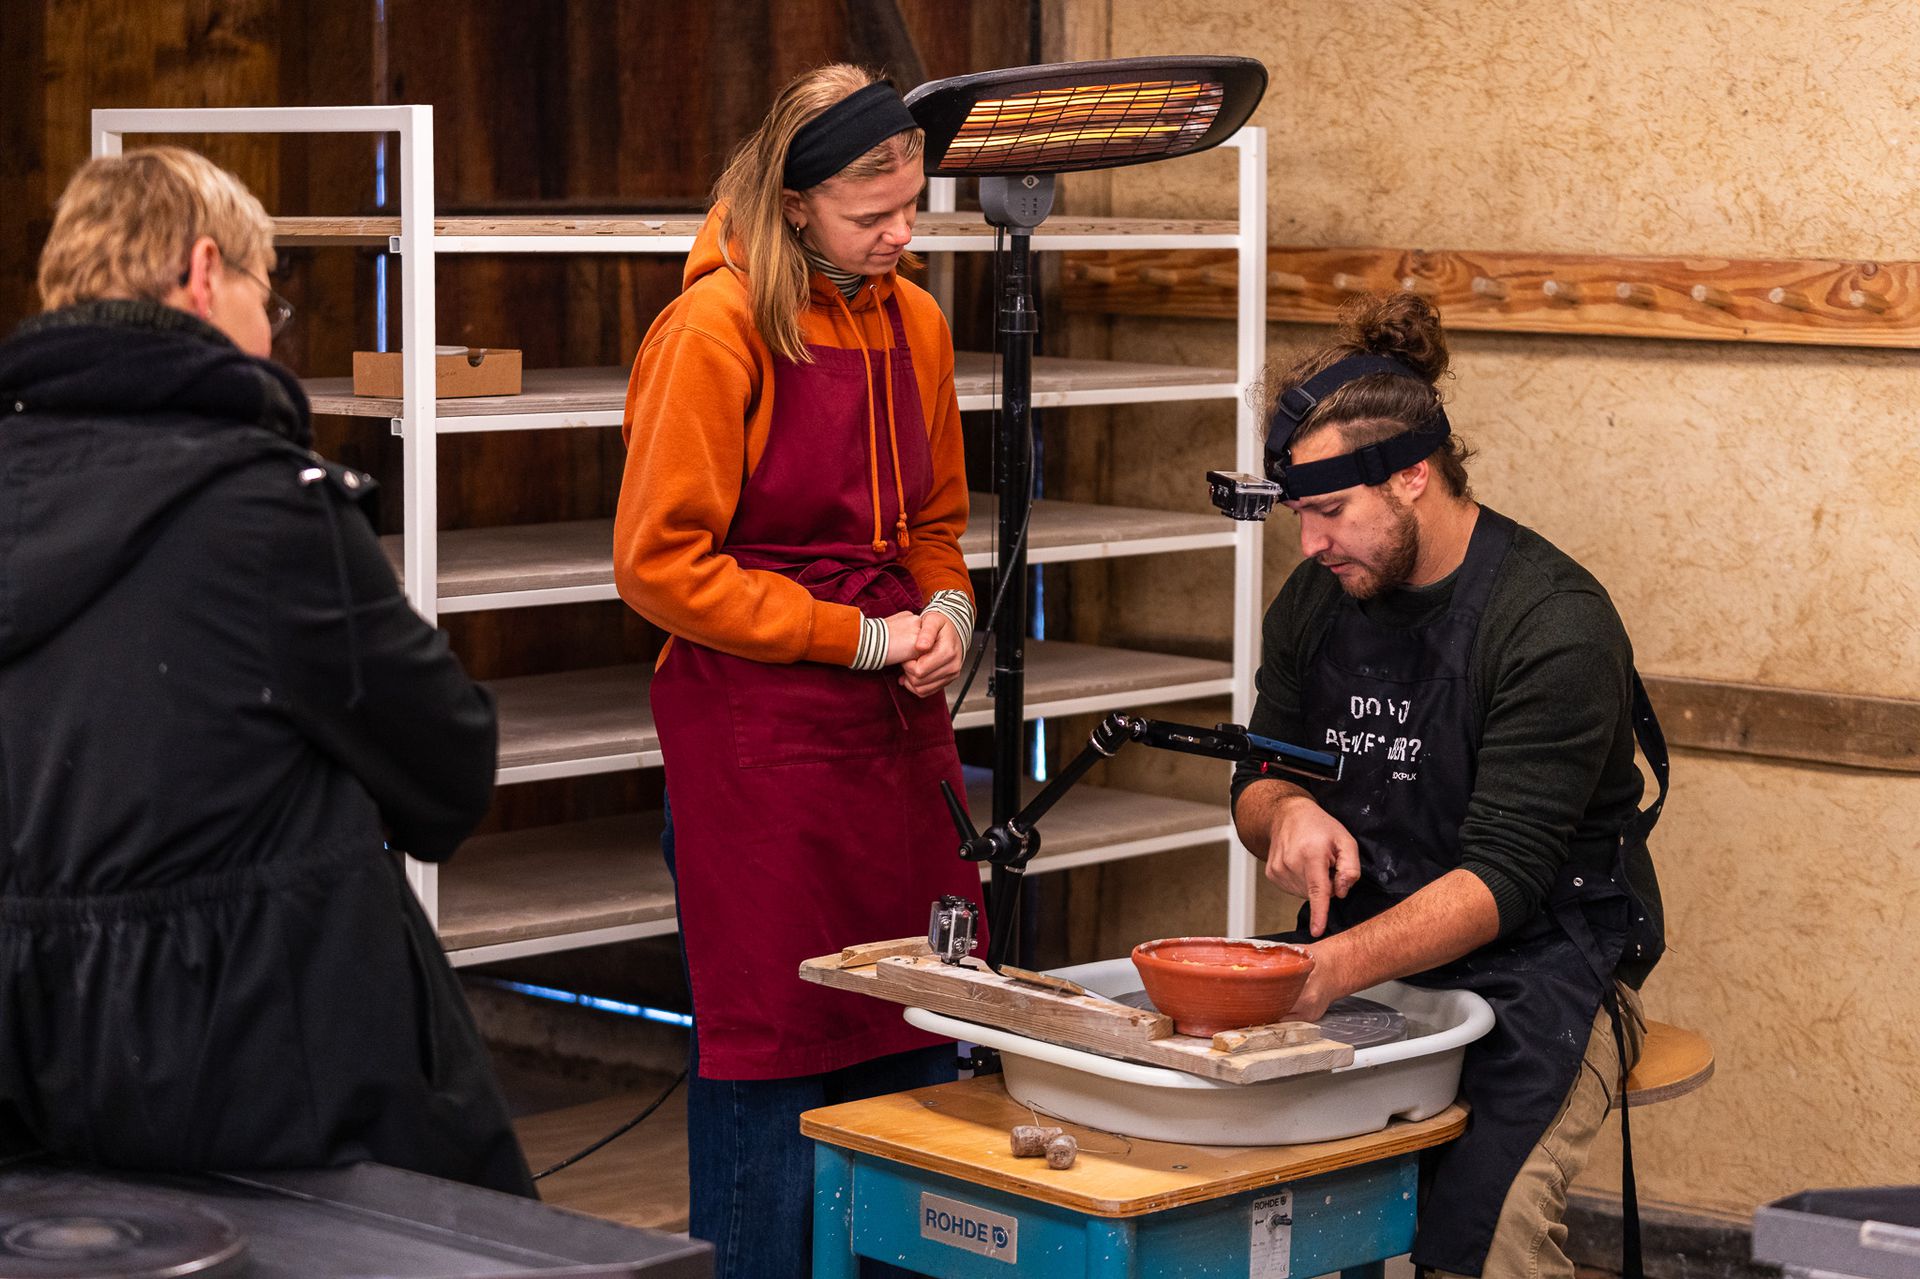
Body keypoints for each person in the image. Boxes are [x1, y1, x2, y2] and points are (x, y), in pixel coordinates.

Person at [0, 147, 533, 1196]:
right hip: (262, 1072)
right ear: (204, 274)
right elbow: (447, 774)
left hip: (29, 1076)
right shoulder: (267, 510)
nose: (271, 331)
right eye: (267, 294)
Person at [613, 65, 981, 1277]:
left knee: (918, 1017)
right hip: (756, 733)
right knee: (776, 1054)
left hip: (893, 731)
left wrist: (946, 606)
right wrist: (857, 637)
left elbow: (936, 519)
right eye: (873, 215)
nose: (901, 234)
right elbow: (660, 564)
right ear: (792, 202)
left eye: (912, 207)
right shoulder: (711, 331)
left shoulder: (915, 323)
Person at [1231, 292, 1667, 1279]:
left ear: (1413, 476)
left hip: (1542, 964)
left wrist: (1329, 969)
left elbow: (1502, 879)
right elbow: (1258, 774)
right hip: (1358, 952)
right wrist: (1285, 810)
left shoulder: (1552, 623)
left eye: (1330, 513)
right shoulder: (1317, 599)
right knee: (1257, 1201)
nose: (1310, 545)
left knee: (1480, 1244)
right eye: (1300, 516)